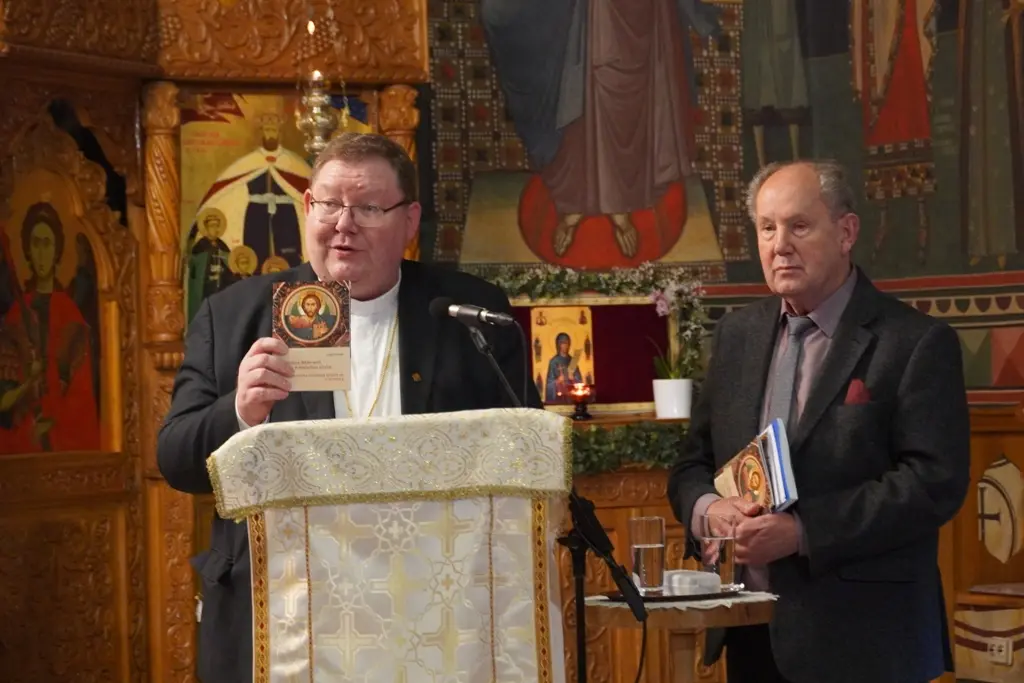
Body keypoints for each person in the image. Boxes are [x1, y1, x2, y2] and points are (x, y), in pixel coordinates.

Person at [157, 132, 541, 683]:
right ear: (307, 207)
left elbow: (521, 451)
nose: (343, 224)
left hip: (433, 615)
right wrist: (239, 411)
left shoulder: (465, 314)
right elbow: (175, 459)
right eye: (329, 204)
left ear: (409, 222)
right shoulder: (234, 315)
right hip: (283, 610)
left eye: (367, 208)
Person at [667, 160, 970, 683]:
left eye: (798, 226)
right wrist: (713, 511)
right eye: (766, 228)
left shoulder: (915, 342)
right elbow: (692, 465)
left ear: (846, 232)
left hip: (867, 641)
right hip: (751, 631)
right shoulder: (737, 338)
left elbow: (932, 483)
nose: (779, 244)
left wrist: (804, 532)